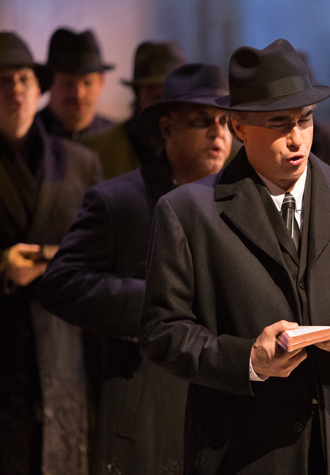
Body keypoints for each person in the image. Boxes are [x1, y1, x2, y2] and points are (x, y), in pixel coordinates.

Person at [139, 39, 330, 474]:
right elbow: (163, 332)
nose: (296, 140)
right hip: (244, 453)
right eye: (278, 124)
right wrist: (248, 358)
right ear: (239, 127)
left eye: (304, 121)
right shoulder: (186, 211)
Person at [37, 63, 232, 474]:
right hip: (147, 411)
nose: (218, 134)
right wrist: (154, 306)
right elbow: (60, 282)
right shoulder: (118, 201)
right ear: (167, 129)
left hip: (226, 409)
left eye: (225, 122)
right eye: (201, 122)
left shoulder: (244, 203)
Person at [0, 31, 103, 475]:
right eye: (3, 80)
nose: (16, 89)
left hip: (64, 345)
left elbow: (100, 250)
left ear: (38, 87)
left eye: (24, 78)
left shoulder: (79, 161)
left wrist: (50, 258)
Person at [81, 40, 186, 179]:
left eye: (173, 98)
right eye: (156, 97)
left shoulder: (202, 149)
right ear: (138, 94)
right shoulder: (96, 151)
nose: (164, 107)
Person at [38, 28, 114, 140]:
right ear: (48, 81)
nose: (78, 94)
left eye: (87, 83)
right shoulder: (26, 137)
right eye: (67, 83)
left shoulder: (117, 139)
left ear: (101, 82)